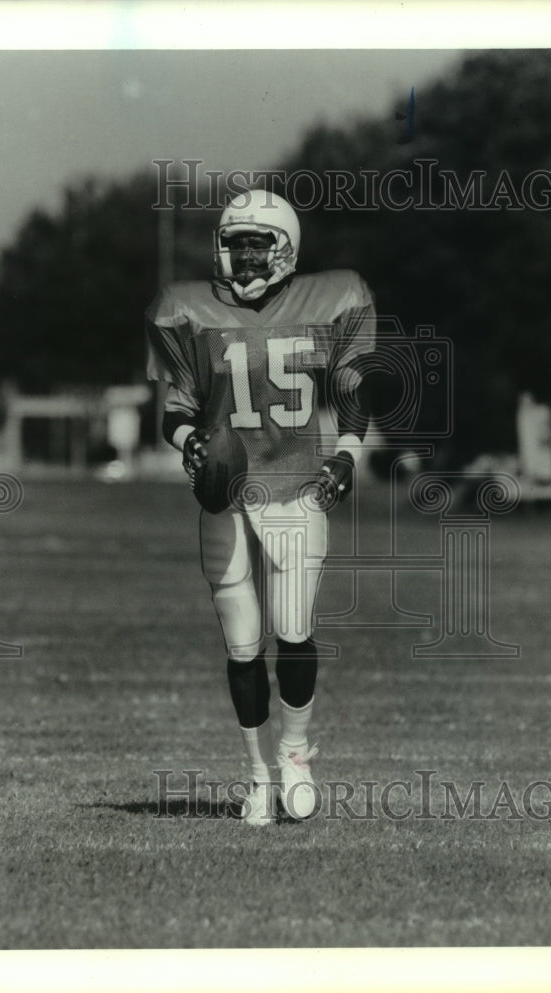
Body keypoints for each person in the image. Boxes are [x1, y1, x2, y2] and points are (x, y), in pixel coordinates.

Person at [146, 190, 374, 825]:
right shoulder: (182, 308)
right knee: (243, 645)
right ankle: (256, 776)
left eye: (258, 242)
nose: (244, 254)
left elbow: (355, 390)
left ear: (286, 248)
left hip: (298, 486)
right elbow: (174, 409)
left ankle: (296, 753)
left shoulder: (334, 298)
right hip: (225, 495)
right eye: (235, 242)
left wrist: (347, 455)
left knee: (294, 628)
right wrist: (192, 442)